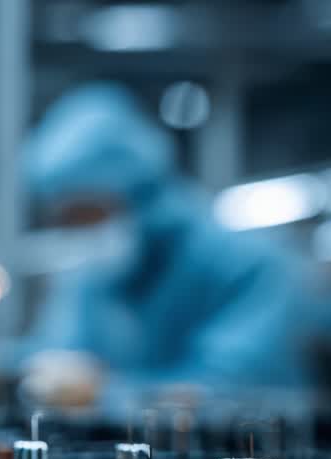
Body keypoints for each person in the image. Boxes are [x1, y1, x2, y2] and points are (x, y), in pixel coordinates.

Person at [16, 83, 309, 404]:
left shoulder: (251, 269)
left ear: (141, 196)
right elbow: (57, 354)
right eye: (66, 220)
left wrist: (102, 393)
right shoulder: (92, 281)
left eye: (87, 213)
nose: (80, 232)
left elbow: (231, 389)